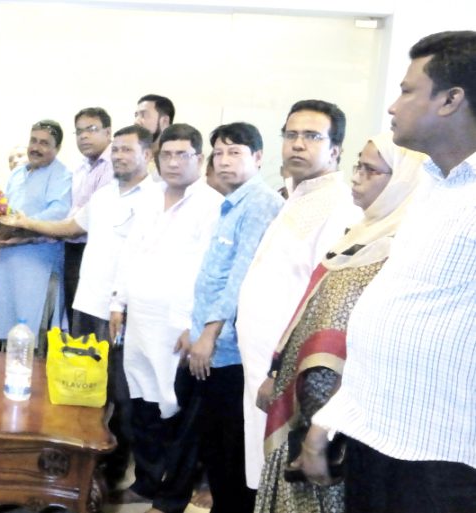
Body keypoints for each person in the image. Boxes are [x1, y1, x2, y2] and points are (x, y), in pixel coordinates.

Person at [306, 30, 476, 513]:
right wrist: (333, 419)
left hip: (443, 463)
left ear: (451, 99)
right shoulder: (432, 186)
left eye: (406, 90)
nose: (392, 106)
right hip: (376, 438)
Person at [253, 134, 424, 513]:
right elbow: (310, 309)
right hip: (302, 405)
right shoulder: (360, 236)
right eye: (357, 166)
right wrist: (277, 369)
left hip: (341, 426)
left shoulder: (400, 251)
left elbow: (364, 348)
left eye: (371, 169)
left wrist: (324, 426)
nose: (357, 177)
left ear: (401, 182)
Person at [1, 125, 160, 491]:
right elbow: (70, 227)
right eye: (116, 150)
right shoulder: (104, 195)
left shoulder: (155, 199)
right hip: (87, 304)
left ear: (147, 155)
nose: (119, 156)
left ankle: (116, 468)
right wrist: (24, 223)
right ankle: (83, 460)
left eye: (127, 150)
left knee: (120, 394)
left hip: (121, 312)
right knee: (82, 387)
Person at [236, 100, 361, 491]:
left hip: (288, 369)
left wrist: (280, 369)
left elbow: (322, 296)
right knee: (261, 468)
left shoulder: (338, 206)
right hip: (261, 363)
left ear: (335, 149)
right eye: (291, 135)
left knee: (282, 476)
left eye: (312, 136)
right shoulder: (297, 195)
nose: (297, 144)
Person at [108, 124, 224, 513]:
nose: (173, 163)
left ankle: (171, 494)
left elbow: (210, 272)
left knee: (175, 412)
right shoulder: (149, 198)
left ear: (199, 159)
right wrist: (117, 303)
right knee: (139, 404)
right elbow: (129, 254)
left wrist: (195, 323)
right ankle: (143, 482)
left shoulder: (211, 205)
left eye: (183, 155)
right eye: (167, 155)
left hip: (178, 327)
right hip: (139, 320)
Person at [183, 122, 283, 513]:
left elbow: (241, 276)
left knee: (232, 452)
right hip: (216, 346)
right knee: (216, 448)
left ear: (258, 159)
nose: (224, 161)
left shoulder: (259, 204)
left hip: (233, 352)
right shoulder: (232, 203)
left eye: (235, 152)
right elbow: (214, 275)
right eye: (219, 153)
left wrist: (208, 333)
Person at [0, 120, 72, 353]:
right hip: (8, 265)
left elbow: (58, 213)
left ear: (57, 148)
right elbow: (5, 210)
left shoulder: (62, 175)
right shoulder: (18, 173)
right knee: (4, 332)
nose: (36, 147)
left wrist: (20, 229)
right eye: (34, 141)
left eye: (44, 143)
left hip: (39, 268)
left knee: (33, 338)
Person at [63, 107, 114, 330]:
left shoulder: (112, 166)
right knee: (77, 319)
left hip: (96, 251)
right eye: (79, 131)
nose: (84, 136)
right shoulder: (81, 168)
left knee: (94, 327)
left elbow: (86, 221)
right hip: (73, 250)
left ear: (108, 132)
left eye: (91, 129)